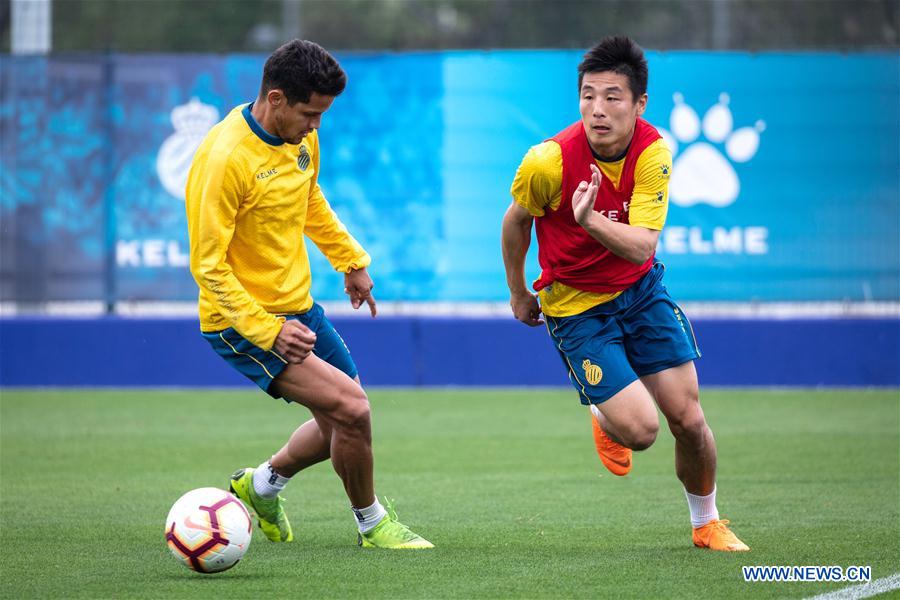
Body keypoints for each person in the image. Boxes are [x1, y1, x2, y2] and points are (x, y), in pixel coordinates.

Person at [501, 36, 748, 552]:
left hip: (640, 292)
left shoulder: (653, 152)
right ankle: (604, 412)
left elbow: (642, 247)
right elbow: (516, 222)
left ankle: (707, 523)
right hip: (576, 310)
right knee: (641, 432)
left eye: (612, 97)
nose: (597, 109)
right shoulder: (547, 162)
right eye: (588, 95)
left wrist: (589, 219)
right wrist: (518, 291)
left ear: (639, 104)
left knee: (689, 419)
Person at [185, 39, 432, 549]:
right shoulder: (224, 159)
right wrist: (267, 331)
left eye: (322, 115)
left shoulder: (300, 138)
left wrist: (350, 260)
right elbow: (208, 268)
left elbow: (309, 198)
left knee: (342, 420)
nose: (316, 126)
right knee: (353, 411)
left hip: (299, 309)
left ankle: (260, 486)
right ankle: (372, 525)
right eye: (309, 114)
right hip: (242, 322)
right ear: (275, 98)